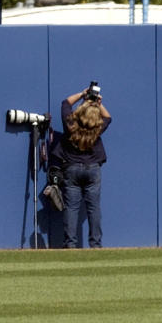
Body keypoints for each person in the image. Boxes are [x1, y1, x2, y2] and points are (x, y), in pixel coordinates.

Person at [46, 85, 112, 248]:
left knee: (71, 208)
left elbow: (66, 103)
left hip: (72, 168)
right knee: (93, 208)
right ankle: (96, 244)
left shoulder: (71, 124)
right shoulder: (97, 127)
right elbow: (108, 117)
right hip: (92, 169)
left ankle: (70, 244)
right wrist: (97, 103)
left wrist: (82, 94)